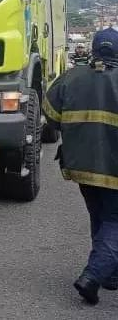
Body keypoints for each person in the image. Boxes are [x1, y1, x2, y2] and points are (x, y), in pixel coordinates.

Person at [43, 27, 118, 305]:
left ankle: (109, 274)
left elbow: (49, 115)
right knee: (114, 221)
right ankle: (93, 276)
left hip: (82, 166)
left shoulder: (70, 77)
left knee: (100, 216)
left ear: (95, 50)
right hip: (114, 168)